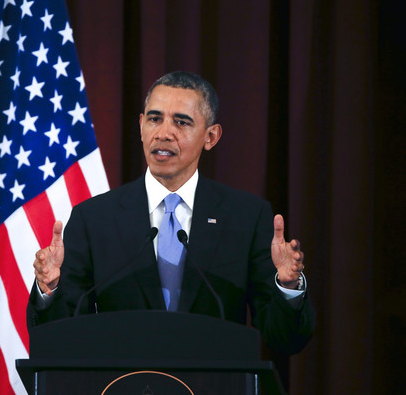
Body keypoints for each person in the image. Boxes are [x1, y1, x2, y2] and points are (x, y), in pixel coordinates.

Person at [27, 71, 314, 354]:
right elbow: (60, 338)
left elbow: (283, 339)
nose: (163, 133)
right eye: (154, 119)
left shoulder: (246, 218)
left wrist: (288, 287)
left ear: (211, 136)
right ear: (141, 126)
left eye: (181, 122)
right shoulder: (94, 219)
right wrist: (50, 289)